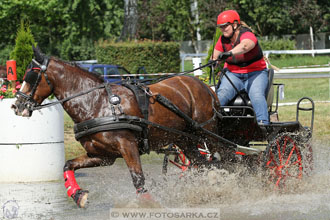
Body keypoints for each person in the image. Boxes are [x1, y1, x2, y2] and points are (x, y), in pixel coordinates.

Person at [211, 10, 269, 125]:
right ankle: (213, 124)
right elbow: (215, 56)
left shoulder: (247, 34)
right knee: (220, 96)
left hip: (256, 73)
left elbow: (246, 46)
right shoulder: (222, 40)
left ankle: (263, 125)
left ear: (235, 24)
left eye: (225, 26)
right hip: (233, 74)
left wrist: (229, 53)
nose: (223, 29)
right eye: (220, 27)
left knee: (257, 96)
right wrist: (214, 62)